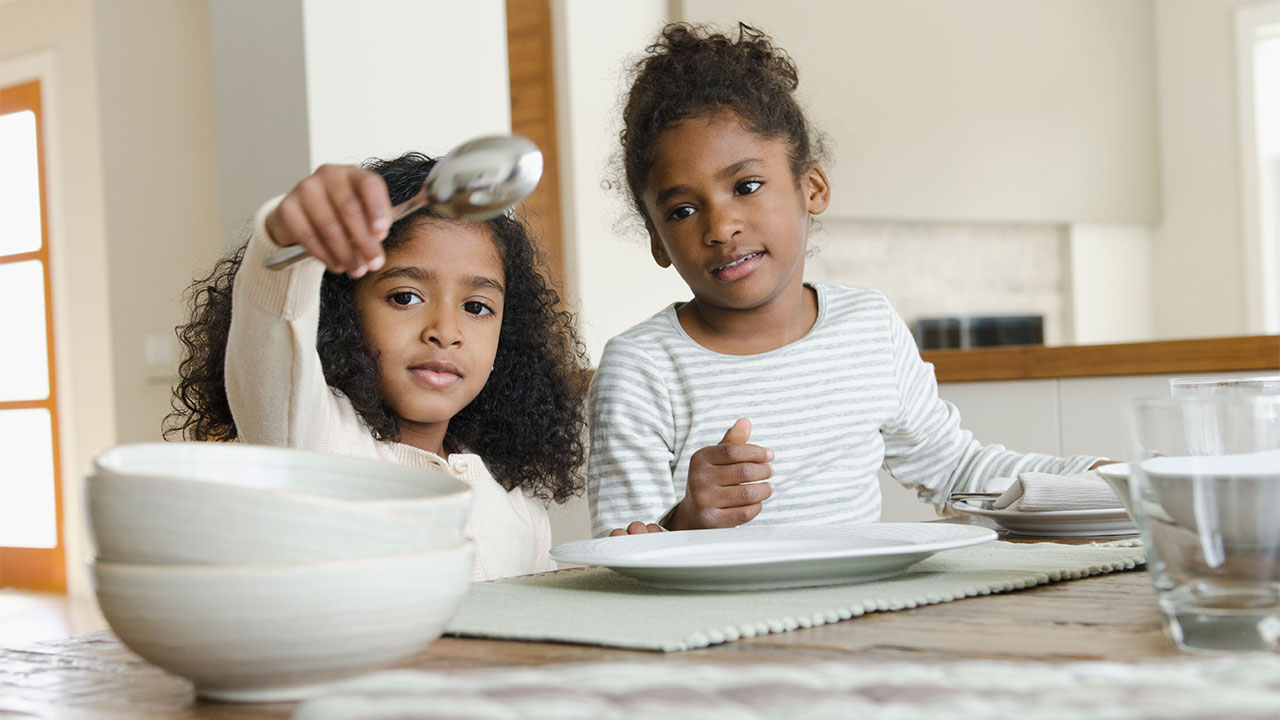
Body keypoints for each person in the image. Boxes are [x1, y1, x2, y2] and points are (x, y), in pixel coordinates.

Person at [588, 23, 1104, 538]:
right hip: (718, 621)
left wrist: (1098, 478)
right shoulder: (641, 369)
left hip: (857, 615)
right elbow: (622, 548)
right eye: (681, 210)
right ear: (657, 239)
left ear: (811, 188)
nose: (720, 227)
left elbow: (956, 472)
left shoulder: (870, 327)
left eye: (746, 186)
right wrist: (687, 521)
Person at [166, 152, 589, 580]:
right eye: (405, 297)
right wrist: (289, 238)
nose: (445, 331)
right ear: (343, 313)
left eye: (477, 307)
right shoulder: (314, 442)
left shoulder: (519, 508)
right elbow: (271, 338)